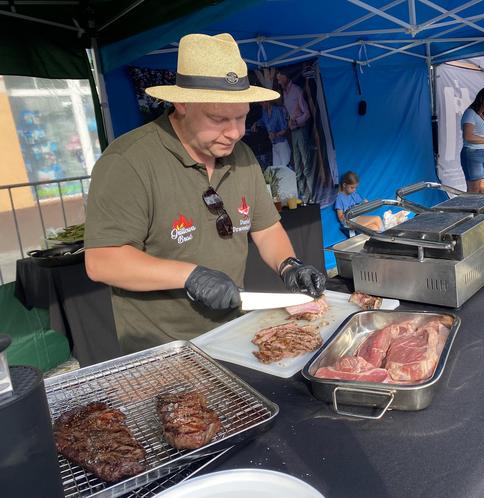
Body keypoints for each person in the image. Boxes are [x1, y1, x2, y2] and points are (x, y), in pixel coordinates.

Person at [84, 33, 327, 353]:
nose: (235, 132)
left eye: (242, 116)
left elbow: (266, 229)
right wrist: (189, 276)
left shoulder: (242, 157)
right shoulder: (129, 162)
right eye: (218, 118)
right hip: (163, 346)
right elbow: (103, 261)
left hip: (233, 332)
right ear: (182, 103)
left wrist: (289, 266)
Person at [276, 71, 314, 203]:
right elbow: (289, 112)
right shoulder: (285, 93)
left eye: (280, 79)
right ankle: (303, 196)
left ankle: (312, 196)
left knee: (306, 164)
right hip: (293, 132)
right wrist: (288, 120)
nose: (279, 82)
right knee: (297, 165)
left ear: (286, 77)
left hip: (301, 129)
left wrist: (297, 120)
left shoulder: (296, 91)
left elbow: (307, 113)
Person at [252, 101, 291, 168]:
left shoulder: (277, 111)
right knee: (276, 171)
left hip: (282, 144)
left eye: (262, 103)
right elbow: (263, 121)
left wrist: (275, 134)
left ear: (267, 102)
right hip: (274, 145)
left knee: (286, 169)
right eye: (260, 103)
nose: (261, 105)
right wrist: (256, 123)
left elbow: (285, 129)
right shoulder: (264, 112)